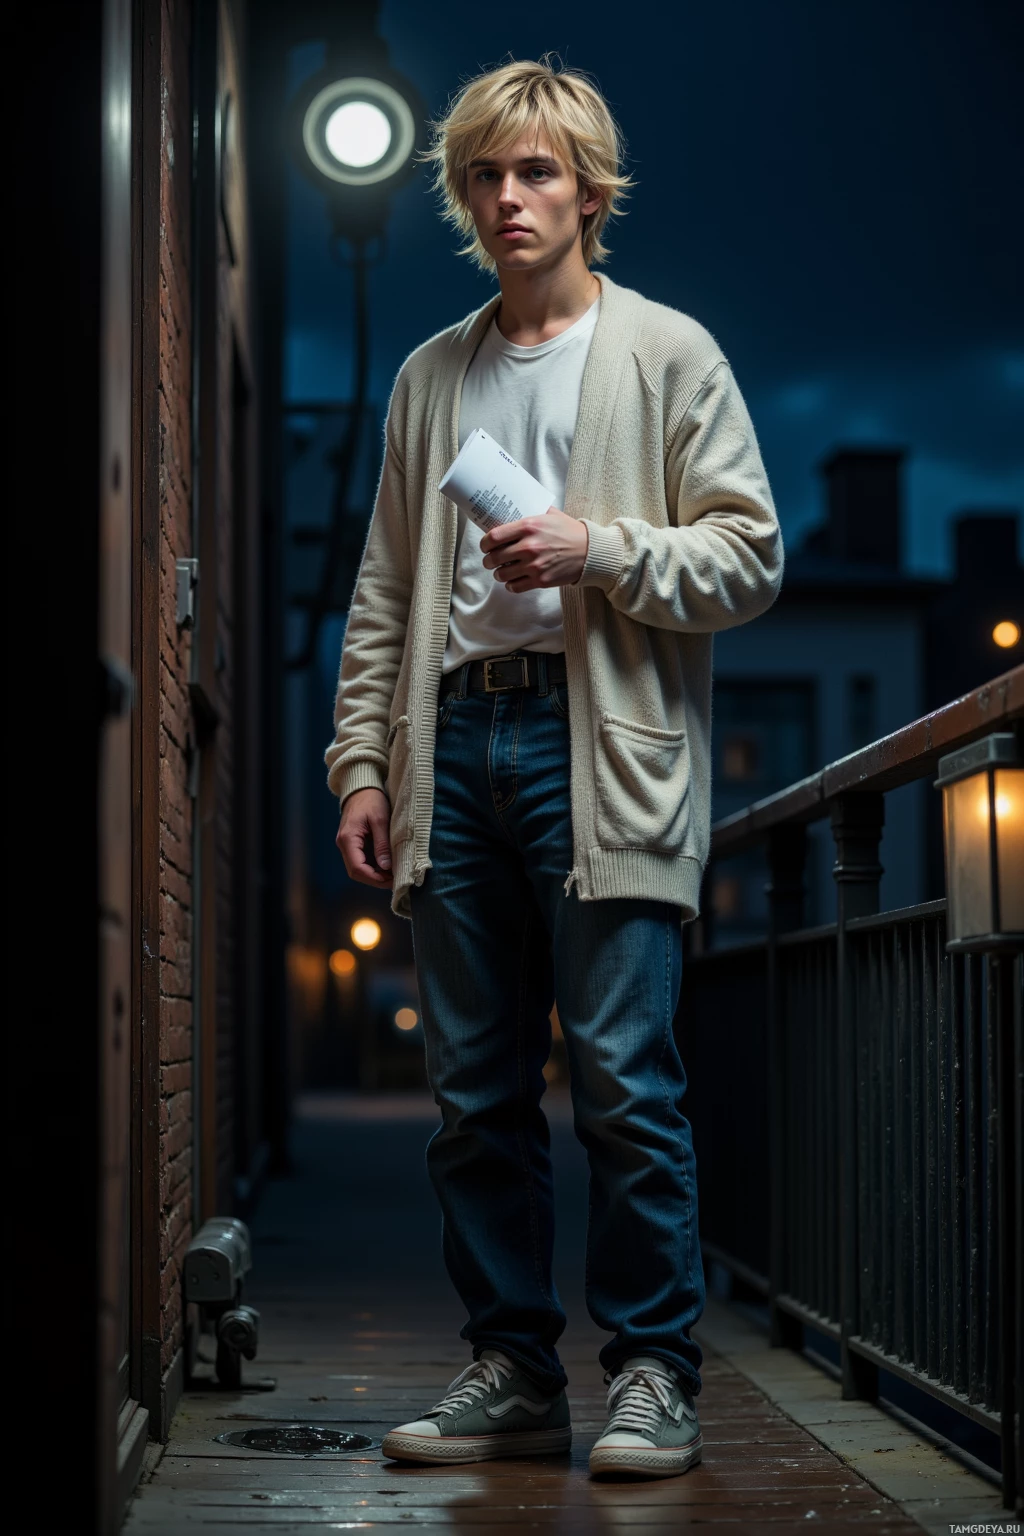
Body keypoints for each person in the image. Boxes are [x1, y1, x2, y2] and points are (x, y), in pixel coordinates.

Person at [327, 57, 782, 1479]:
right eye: (484, 175)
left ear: (590, 189)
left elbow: (751, 555)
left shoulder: (667, 353)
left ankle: (654, 1373)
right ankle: (513, 1373)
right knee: (471, 1094)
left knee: (628, 1083)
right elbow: (385, 597)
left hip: (605, 757)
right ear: (464, 197)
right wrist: (361, 763)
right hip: (453, 742)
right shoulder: (428, 375)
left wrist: (603, 547)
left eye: (536, 172)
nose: (509, 197)